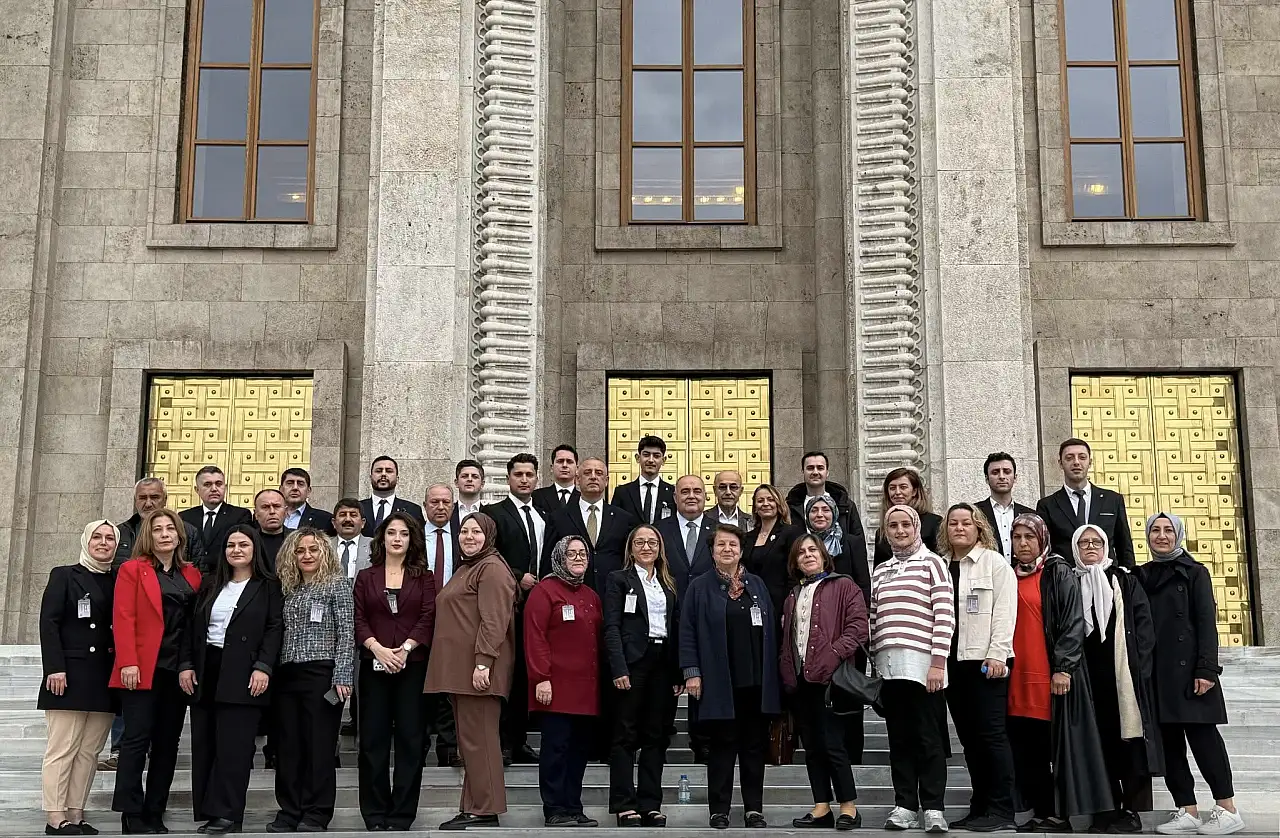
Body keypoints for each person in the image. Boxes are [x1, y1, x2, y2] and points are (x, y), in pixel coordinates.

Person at [1137, 513, 1245, 836]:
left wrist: (1207, 669)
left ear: (1178, 534)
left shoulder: (1196, 572)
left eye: (1168, 530)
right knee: (1170, 745)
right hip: (1158, 673)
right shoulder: (1143, 575)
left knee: (1204, 740)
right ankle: (1187, 809)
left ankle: (1227, 808)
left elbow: (1205, 623)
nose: (1161, 536)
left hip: (1192, 674)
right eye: (1155, 530)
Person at [1006, 513, 1112, 832]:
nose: (1023, 543)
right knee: (1028, 748)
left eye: (1029, 537)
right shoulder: (1007, 574)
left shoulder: (1057, 570)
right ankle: (1040, 811)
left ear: (1042, 539)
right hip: (1016, 675)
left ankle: (1062, 813)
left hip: (1049, 675)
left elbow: (1072, 621)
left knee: (1054, 746)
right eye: (1017, 537)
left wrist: (1064, 667)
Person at [680, 525, 780, 830]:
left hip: (756, 681)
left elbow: (771, 630)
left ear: (741, 549)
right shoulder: (699, 586)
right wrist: (691, 672)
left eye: (733, 544)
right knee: (723, 746)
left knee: (753, 746)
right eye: (721, 544)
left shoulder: (757, 584)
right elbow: (687, 632)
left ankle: (753, 809)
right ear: (712, 551)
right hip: (719, 680)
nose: (727, 549)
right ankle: (719, 809)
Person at [110, 508, 202, 835]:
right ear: (149, 536)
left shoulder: (192, 574)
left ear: (180, 535)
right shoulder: (133, 569)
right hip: (142, 668)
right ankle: (131, 814)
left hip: (177, 671)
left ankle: (155, 811)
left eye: (170, 529)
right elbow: (123, 617)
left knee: (168, 744)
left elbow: (192, 625)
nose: (165, 534)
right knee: (136, 741)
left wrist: (189, 665)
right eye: (158, 529)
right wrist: (128, 662)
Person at [187, 525, 283, 835]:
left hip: (244, 672)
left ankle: (228, 814)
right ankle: (208, 809)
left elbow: (274, 628)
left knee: (234, 749)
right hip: (207, 670)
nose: (236, 550)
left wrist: (264, 667)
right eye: (231, 545)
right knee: (205, 745)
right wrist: (187, 665)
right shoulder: (211, 584)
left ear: (255, 549)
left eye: (243, 544)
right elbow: (194, 628)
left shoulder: (268, 586)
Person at [425, 513, 519, 830]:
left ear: (489, 535)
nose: (468, 536)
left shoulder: (491, 569)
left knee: (480, 741)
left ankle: (486, 809)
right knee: (471, 742)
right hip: (462, 671)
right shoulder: (471, 567)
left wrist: (483, 663)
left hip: (478, 671)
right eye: (464, 531)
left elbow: (494, 621)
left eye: (476, 531)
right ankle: (474, 806)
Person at [1072, 524, 1162, 834]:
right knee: (1099, 745)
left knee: (1129, 742)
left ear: (1107, 546)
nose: (1091, 547)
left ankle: (1132, 812)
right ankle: (1105, 809)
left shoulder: (1124, 580)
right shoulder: (1071, 582)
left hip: (1123, 676)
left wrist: (1142, 671)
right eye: (1083, 543)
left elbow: (1143, 628)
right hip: (1089, 680)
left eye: (1096, 541)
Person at [870, 505, 954, 833]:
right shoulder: (882, 571)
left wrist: (937, 663)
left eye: (906, 524)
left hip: (924, 668)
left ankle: (933, 807)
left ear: (916, 527)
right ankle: (904, 805)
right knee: (900, 741)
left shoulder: (933, 563)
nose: (900, 530)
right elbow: (874, 620)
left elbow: (945, 615)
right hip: (891, 670)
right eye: (893, 525)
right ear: (886, 531)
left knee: (929, 740)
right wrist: (875, 666)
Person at [354, 512, 437, 831]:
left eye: (404, 533)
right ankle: (374, 814)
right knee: (372, 741)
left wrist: (403, 650)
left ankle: (402, 814)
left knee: (410, 741)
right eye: (392, 533)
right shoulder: (366, 576)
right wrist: (377, 648)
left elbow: (428, 616)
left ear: (411, 539)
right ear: (382, 538)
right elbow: (359, 618)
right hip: (373, 665)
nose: (397, 538)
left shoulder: (424, 577)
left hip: (411, 666)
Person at [936, 503, 1017, 832]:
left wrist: (998, 654)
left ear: (978, 528)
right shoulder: (940, 565)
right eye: (953, 523)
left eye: (965, 523)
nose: (959, 528)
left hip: (985, 664)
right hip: (952, 665)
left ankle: (1001, 809)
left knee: (992, 737)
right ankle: (979, 805)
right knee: (969, 741)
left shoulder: (994, 564)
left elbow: (1004, 612)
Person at [268, 528, 354, 833]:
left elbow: (347, 632)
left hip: (322, 674)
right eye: (300, 551)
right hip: (287, 674)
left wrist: (342, 674)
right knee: (289, 747)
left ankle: (317, 812)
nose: (306, 556)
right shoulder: (286, 588)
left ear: (325, 553)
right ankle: (289, 809)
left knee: (319, 747)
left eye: (313, 550)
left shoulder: (337, 585)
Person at [780, 534, 868, 831]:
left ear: (824, 554)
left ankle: (849, 808)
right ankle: (821, 807)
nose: (807, 555)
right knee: (813, 746)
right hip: (801, 680)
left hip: (831, 680)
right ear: (795, 561)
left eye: (812, 550)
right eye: (801, 552)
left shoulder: (843, 585)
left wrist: (832, 655)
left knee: (833, 744)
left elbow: (858, 628)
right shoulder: (794, 594)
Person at [39, 520, 119, 836]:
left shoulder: (119, 579)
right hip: (69, 674)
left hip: (104, 676)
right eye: (97, 537)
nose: (103, 542)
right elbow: (49, 623)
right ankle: (54, 816)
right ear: (86, 541)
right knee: (63, 747)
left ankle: (76, 813)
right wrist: (54, 668)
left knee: (89, 751)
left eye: (109, 538)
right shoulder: (65, 575)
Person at [604, 524, 682, 828]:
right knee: (625, 735)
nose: (646, 547)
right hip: (633, 662)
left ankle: (650, 803)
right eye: (640, 542)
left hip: (662, 663)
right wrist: (619, 667)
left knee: (656, 736)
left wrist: (677, 670)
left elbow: (674, 627)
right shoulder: (618, 580)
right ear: (631, 547)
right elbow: (611, 626)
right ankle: (625, 804)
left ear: (660, 548)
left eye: (652, 542)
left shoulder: (668, 583)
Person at [525, 537, 604, 827]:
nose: (578, 557)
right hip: (555, 688)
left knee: (579, 751)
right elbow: (535, 638)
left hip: (586, 690)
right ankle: (555, 808)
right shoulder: (544, 592)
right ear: (559, 556)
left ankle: (574, 806)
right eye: (571, 553)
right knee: (556, 750)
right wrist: (541, 678)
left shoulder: (591, 595)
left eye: (583, 553)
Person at [480, 453, 544, 764]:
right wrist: (519, 577)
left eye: (529, 474)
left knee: (524, 674)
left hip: (538, 608)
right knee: (504, 672)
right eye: (518, 474)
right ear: (508, 478)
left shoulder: (545, 514)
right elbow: (487, 552)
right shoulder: (493, 512)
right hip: (506, 605)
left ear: (536, 479)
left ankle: (519, 740)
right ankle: (502, 742)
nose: (524, 479)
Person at [539, 457, 638, 597]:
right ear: (577, 480)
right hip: (570, 596)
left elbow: (628, 561)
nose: (593, 477)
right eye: (587, 473)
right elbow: (549, 561)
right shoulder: (558, 518)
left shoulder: (623, 518)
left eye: (598, 473)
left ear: (607, 480)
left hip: (613, 596)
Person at [1035, 438, 1135, 568]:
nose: (1076, 462)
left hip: (1108, 578)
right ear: (1060, 463)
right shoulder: (1047, 505)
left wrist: (1130, 579)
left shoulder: (1112, 500)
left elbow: (1124, 545)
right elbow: (1045, 550)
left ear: (1090, 462)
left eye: (1082, 457)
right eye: (1069, 458)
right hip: (1066, 580)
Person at [423, 483, 462, 766]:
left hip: (455, 621)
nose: (440, 507)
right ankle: (420, 744)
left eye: (445, 502)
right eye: (434, 502)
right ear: (425, 506)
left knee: (450, 682)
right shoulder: (413, 539)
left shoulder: (463, 538)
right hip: (420, 620)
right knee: (421, 684)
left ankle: (448, 747)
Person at [742, 484, 802, 619]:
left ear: (778, 504)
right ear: (755, 508)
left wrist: (788, 607)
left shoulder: (791, 533)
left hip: (779, 605)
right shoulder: (747, 537)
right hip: (752, 604)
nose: (765, 504)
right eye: (760, 500)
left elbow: (794, 573)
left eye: (770, 500)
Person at [116, 477, 204, 568]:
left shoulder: (188, 532)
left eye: (154, 497)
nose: (148, 504)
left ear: (165, 500)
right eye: (142, 498)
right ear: (135, 501)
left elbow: (199, 571)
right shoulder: (120, 532)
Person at [804, 493, 870, 608]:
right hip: (812, 607)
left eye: (826, 510)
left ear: (834, 514)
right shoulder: (803, 546)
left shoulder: (851, 542)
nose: (820, 515)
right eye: (814, 510)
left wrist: (864, 611)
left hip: (845, 607)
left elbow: (862, 580)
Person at [655, 474, 717, 597]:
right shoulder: (658, 530)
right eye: (685, 492)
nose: (691, 496)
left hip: (708, 605)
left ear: (705, 496)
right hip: (670, 606)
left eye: (697, 491)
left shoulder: (719, 531)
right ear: (675, 497)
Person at [179, 466, 252, 565]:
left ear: (225, 487)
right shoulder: (185, 517)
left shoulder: (240, 515)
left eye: (218, 484)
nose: (214, 489)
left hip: (225, 575)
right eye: (207, 485)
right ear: (197, 490)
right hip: (193, 575)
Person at [872, 468, 942, 566]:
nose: (897, 492)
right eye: (892, 488)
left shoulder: (934, 523)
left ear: (914, 491)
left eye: (903, 487)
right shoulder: (882, 532)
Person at [973, 453, 1033, 561]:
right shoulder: (974, 513)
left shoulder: (1030, 515)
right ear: (986, 479)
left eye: (1007, 471)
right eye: (995, 472)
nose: (1001, 476)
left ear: (1015, 478)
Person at [785, 450, 858, 534]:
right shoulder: (789, 507)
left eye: (820, 468)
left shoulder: (846, 505)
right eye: (810, 468)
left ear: (827, 472)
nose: (815, 472)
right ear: (803, 472)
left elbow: (857, 541)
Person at [611, 435, 676, 525]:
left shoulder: (672, 492)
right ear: (638, 458)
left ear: (663, 460)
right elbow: (614, 524)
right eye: (646, 455)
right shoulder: (622, 492)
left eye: (656, 456)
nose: (650, 460)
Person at [360, 456, 425, 537]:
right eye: (378, 471)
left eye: (389, 471)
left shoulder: (413, 510)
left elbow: (419, 542)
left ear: (397, 479)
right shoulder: (357, 508)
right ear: (370, 478)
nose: (383, 474)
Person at [331, 498, 373, 583]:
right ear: (334, 523)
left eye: (353, 515)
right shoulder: (323, 546)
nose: (348, 519)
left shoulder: (374, 546)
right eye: (342, 515)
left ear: (363, 523)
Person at [281, 467, 334, 533]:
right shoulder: (269, 516)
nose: (295, 488)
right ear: (281, 489)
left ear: (308, 491)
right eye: (290, 483)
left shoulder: (325, 519)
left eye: (300, 484)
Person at [532, 444, 580, 516]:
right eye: (560, 461)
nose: (564, 465)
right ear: (552, 468)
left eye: (569, 461)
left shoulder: (583, 499)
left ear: (577, 469)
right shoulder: (536, 496)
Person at [252, 488, 294, 569]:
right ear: (256, 514)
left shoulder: (298, 539)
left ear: (285, 512)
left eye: (277, 506)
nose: (272, 511)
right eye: (265, 507)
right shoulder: (248, 540)